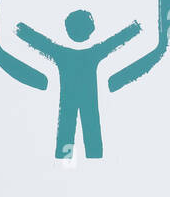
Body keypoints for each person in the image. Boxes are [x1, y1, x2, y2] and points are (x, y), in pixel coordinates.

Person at [15, 10, 140, 158]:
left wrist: (20, 30)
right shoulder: (93, 54)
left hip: (68, 100)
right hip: (88, 100)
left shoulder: (62, 54)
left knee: (66, 133)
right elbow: (115, 42)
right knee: (91, 132)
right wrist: (135, 28)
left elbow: (41, 43)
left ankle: (67, 160)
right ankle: (89, 158)